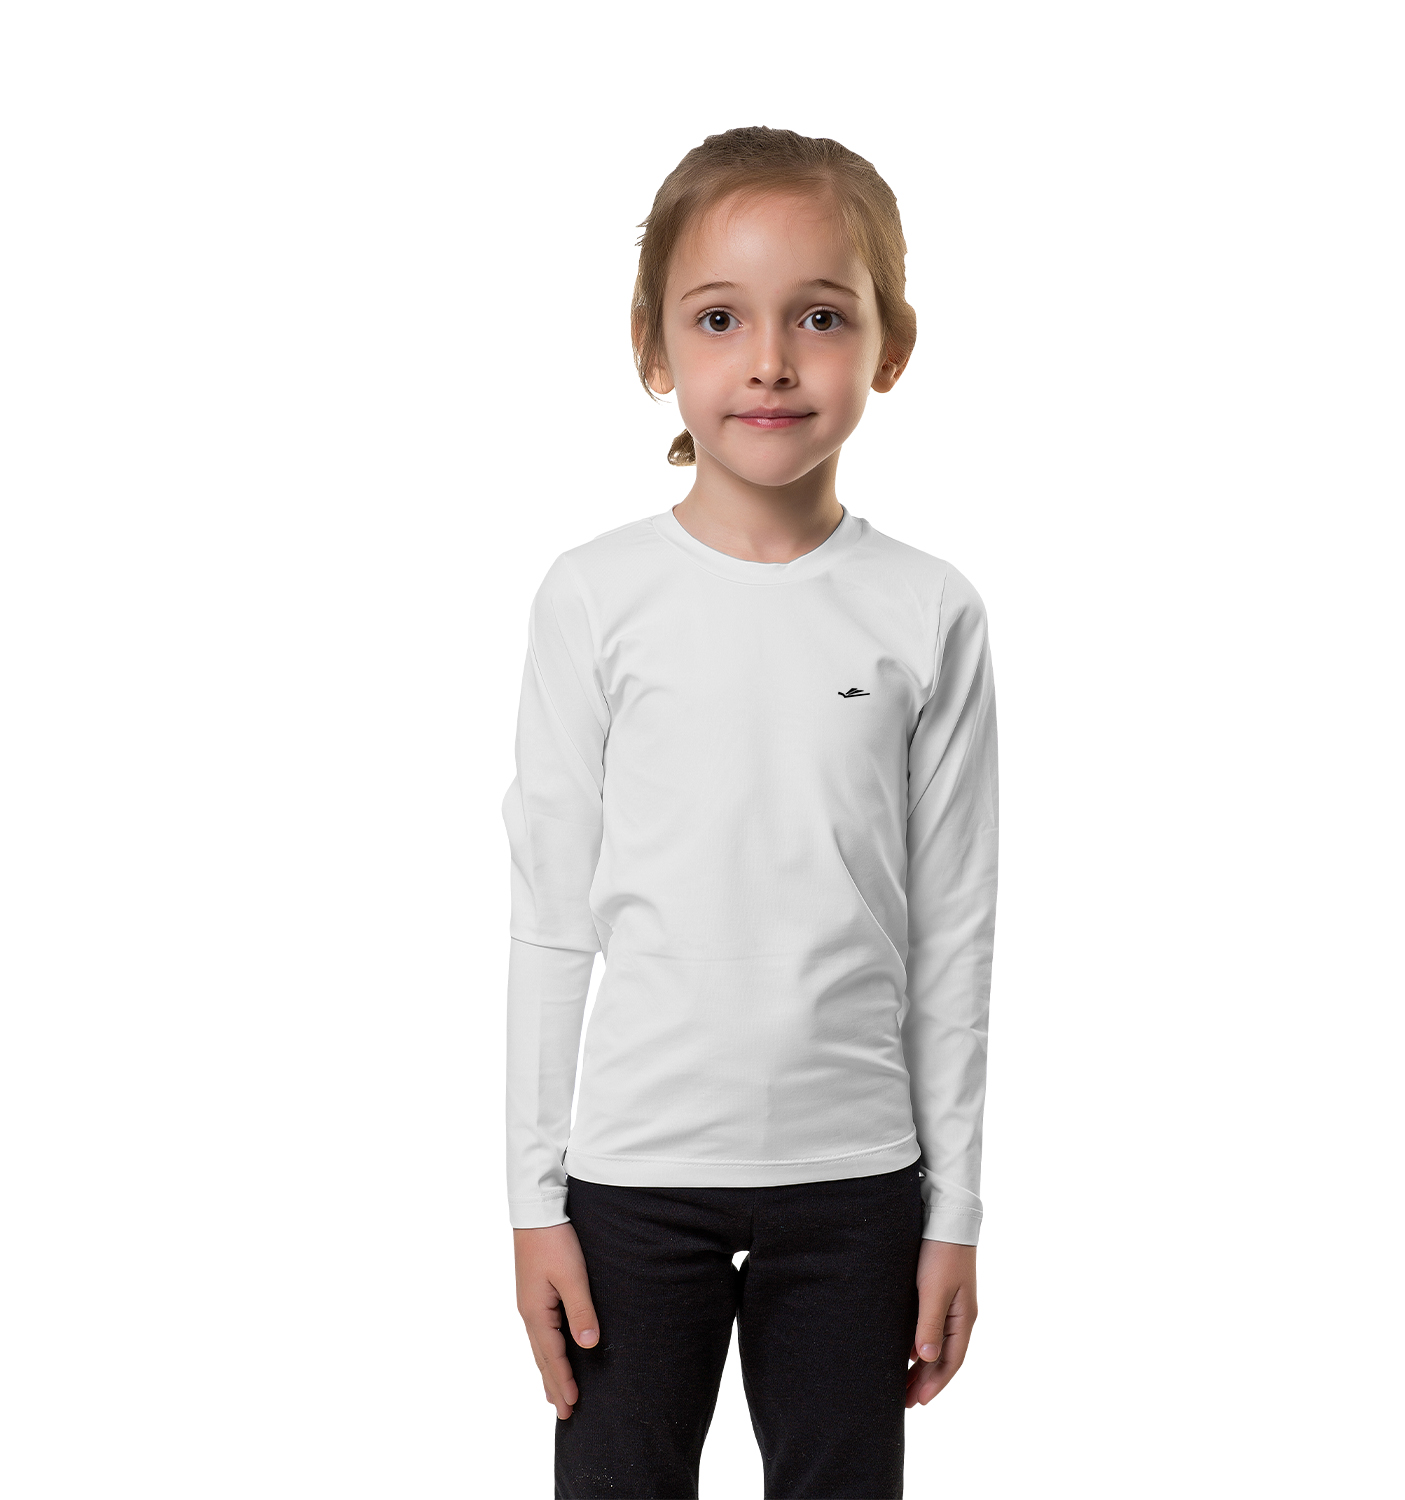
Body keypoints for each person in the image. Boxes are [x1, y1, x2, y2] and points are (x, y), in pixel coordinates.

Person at [505, 125, 999, 1499]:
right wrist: (534, 1201)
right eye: (719, 318)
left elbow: (956, 933)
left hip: (854, 1188)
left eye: (820, 317)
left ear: (890, 346)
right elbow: (549, 916)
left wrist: (953, 1213)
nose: (770, 361)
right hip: (632, 1186)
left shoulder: (929, 611)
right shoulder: (594, 599)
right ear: (654, 345)